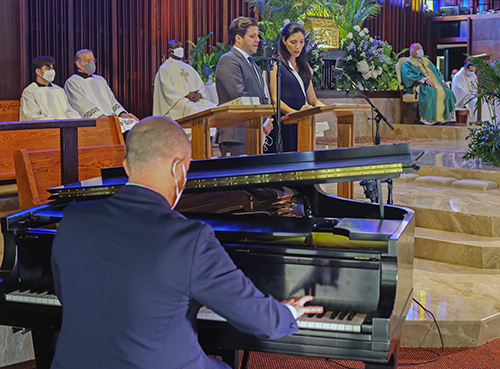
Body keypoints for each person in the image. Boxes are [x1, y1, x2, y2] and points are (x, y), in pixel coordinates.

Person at [50, 116, 322, 369]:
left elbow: (68, 296)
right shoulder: (188, 239)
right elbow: (264, 323)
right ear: (179, 168)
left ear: (126, 166)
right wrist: (287, 311)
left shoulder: (74, 219)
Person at [215, 16, 273, 157]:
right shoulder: (229, 60)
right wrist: (264, 121)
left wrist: (267, 117)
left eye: (257, 36)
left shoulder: (252, 63)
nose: (258, 40)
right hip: (236, 135)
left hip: (253, 131)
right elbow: (239, 96)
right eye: (252, 36)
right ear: (238, 38)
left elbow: (261, 95)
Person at [268, 22, 324, 152]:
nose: (298, 47)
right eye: (293, 42)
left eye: (301, 42)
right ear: (284, 41)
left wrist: (330, 109)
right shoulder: (276, 64)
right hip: (284, 122)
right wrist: (296, 114)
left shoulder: (304, 65)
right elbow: (275, 99)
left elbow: (313, 100)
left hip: (301, 122)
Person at [64, 49, 139, 133]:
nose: (92, 63)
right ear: (78, 64)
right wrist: (102, 117)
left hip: (111, 117)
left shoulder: (100, 80)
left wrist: (122, 114)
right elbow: (81, 105)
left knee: (135, 125)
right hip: (97, 120)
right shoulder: (72, 82)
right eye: (88, 61)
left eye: (93, 60)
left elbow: (112, 100)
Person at [153, 39, 217, 120]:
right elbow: (167, 90)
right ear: (170, 51)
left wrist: (199, 94)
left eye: (181, 46)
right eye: (177, 47)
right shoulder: (165, 68)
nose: (180, 49)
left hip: (194, 100)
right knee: (195, 110)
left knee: (213, 108)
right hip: (177, 102)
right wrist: (186, 94)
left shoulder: (188, 68)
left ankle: (209, 133)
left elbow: (200, 85)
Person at [401, 43, 456, 125]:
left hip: (435, 83)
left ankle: (443, 118)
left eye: (421, 48)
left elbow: (436, 72)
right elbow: (408, 75)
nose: (421, 51)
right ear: (412, 53)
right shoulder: (408, 63)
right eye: (418, 49)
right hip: (419, 84)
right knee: (431, 91)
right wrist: (425, 80)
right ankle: (430, 119)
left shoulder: (426, 61)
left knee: (448, 92)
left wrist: (442, 81)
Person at [20, 56, 80, 121]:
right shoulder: (30, 92)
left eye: (52, 68)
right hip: (45, 128)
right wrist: (54, 123)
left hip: (62, 126)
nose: (51, 71)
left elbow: (68, 111)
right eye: (47, 69)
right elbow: (33, 116)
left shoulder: (59, 90)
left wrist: (78, 120)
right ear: (38, 72)